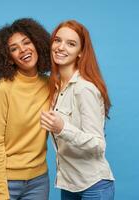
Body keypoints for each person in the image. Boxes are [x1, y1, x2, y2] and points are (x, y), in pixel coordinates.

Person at [40, 20, 115, 200]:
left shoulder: (84, 88)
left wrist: (62, 128)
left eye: (71, 43)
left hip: (94, 187)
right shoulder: (56, 88)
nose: (60, 47)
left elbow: (98, 145)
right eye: (57, 40)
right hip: (69, 185)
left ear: (81, 52)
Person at [0, 18, 51, 200]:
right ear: (9, 58)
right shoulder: (3, 88)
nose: (23, 50)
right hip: (4, 180)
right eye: (14, 48)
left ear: (37, 44)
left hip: (38, 182)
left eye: (27, 42)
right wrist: (1, 192)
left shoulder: (50, 85)